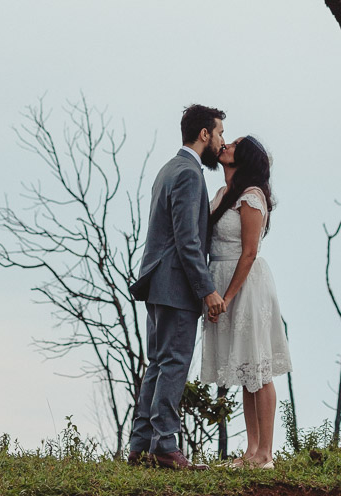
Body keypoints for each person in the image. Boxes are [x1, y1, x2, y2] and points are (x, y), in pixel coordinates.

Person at [126, 104, 227, 470]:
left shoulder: (168, 169)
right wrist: (207, 289)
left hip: (157, 283)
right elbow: (187, 240)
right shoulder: (189, 174)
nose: (221, 141)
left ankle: (140, 445)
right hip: (176, 286)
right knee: (173, 363)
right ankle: (165, 446)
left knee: (159, 362)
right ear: (204, 134)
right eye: (218, 133)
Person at [200, 135, 291, 468]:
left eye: (235, 144)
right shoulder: (224, 194)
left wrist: (227, 297)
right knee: (244, 370)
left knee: (259, 368)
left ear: (246, 158)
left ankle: (266, 453)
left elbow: (250, 252)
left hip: (246, 285)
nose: (226, 144)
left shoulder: (252, 197)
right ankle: (251, 450)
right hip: (221, 278)